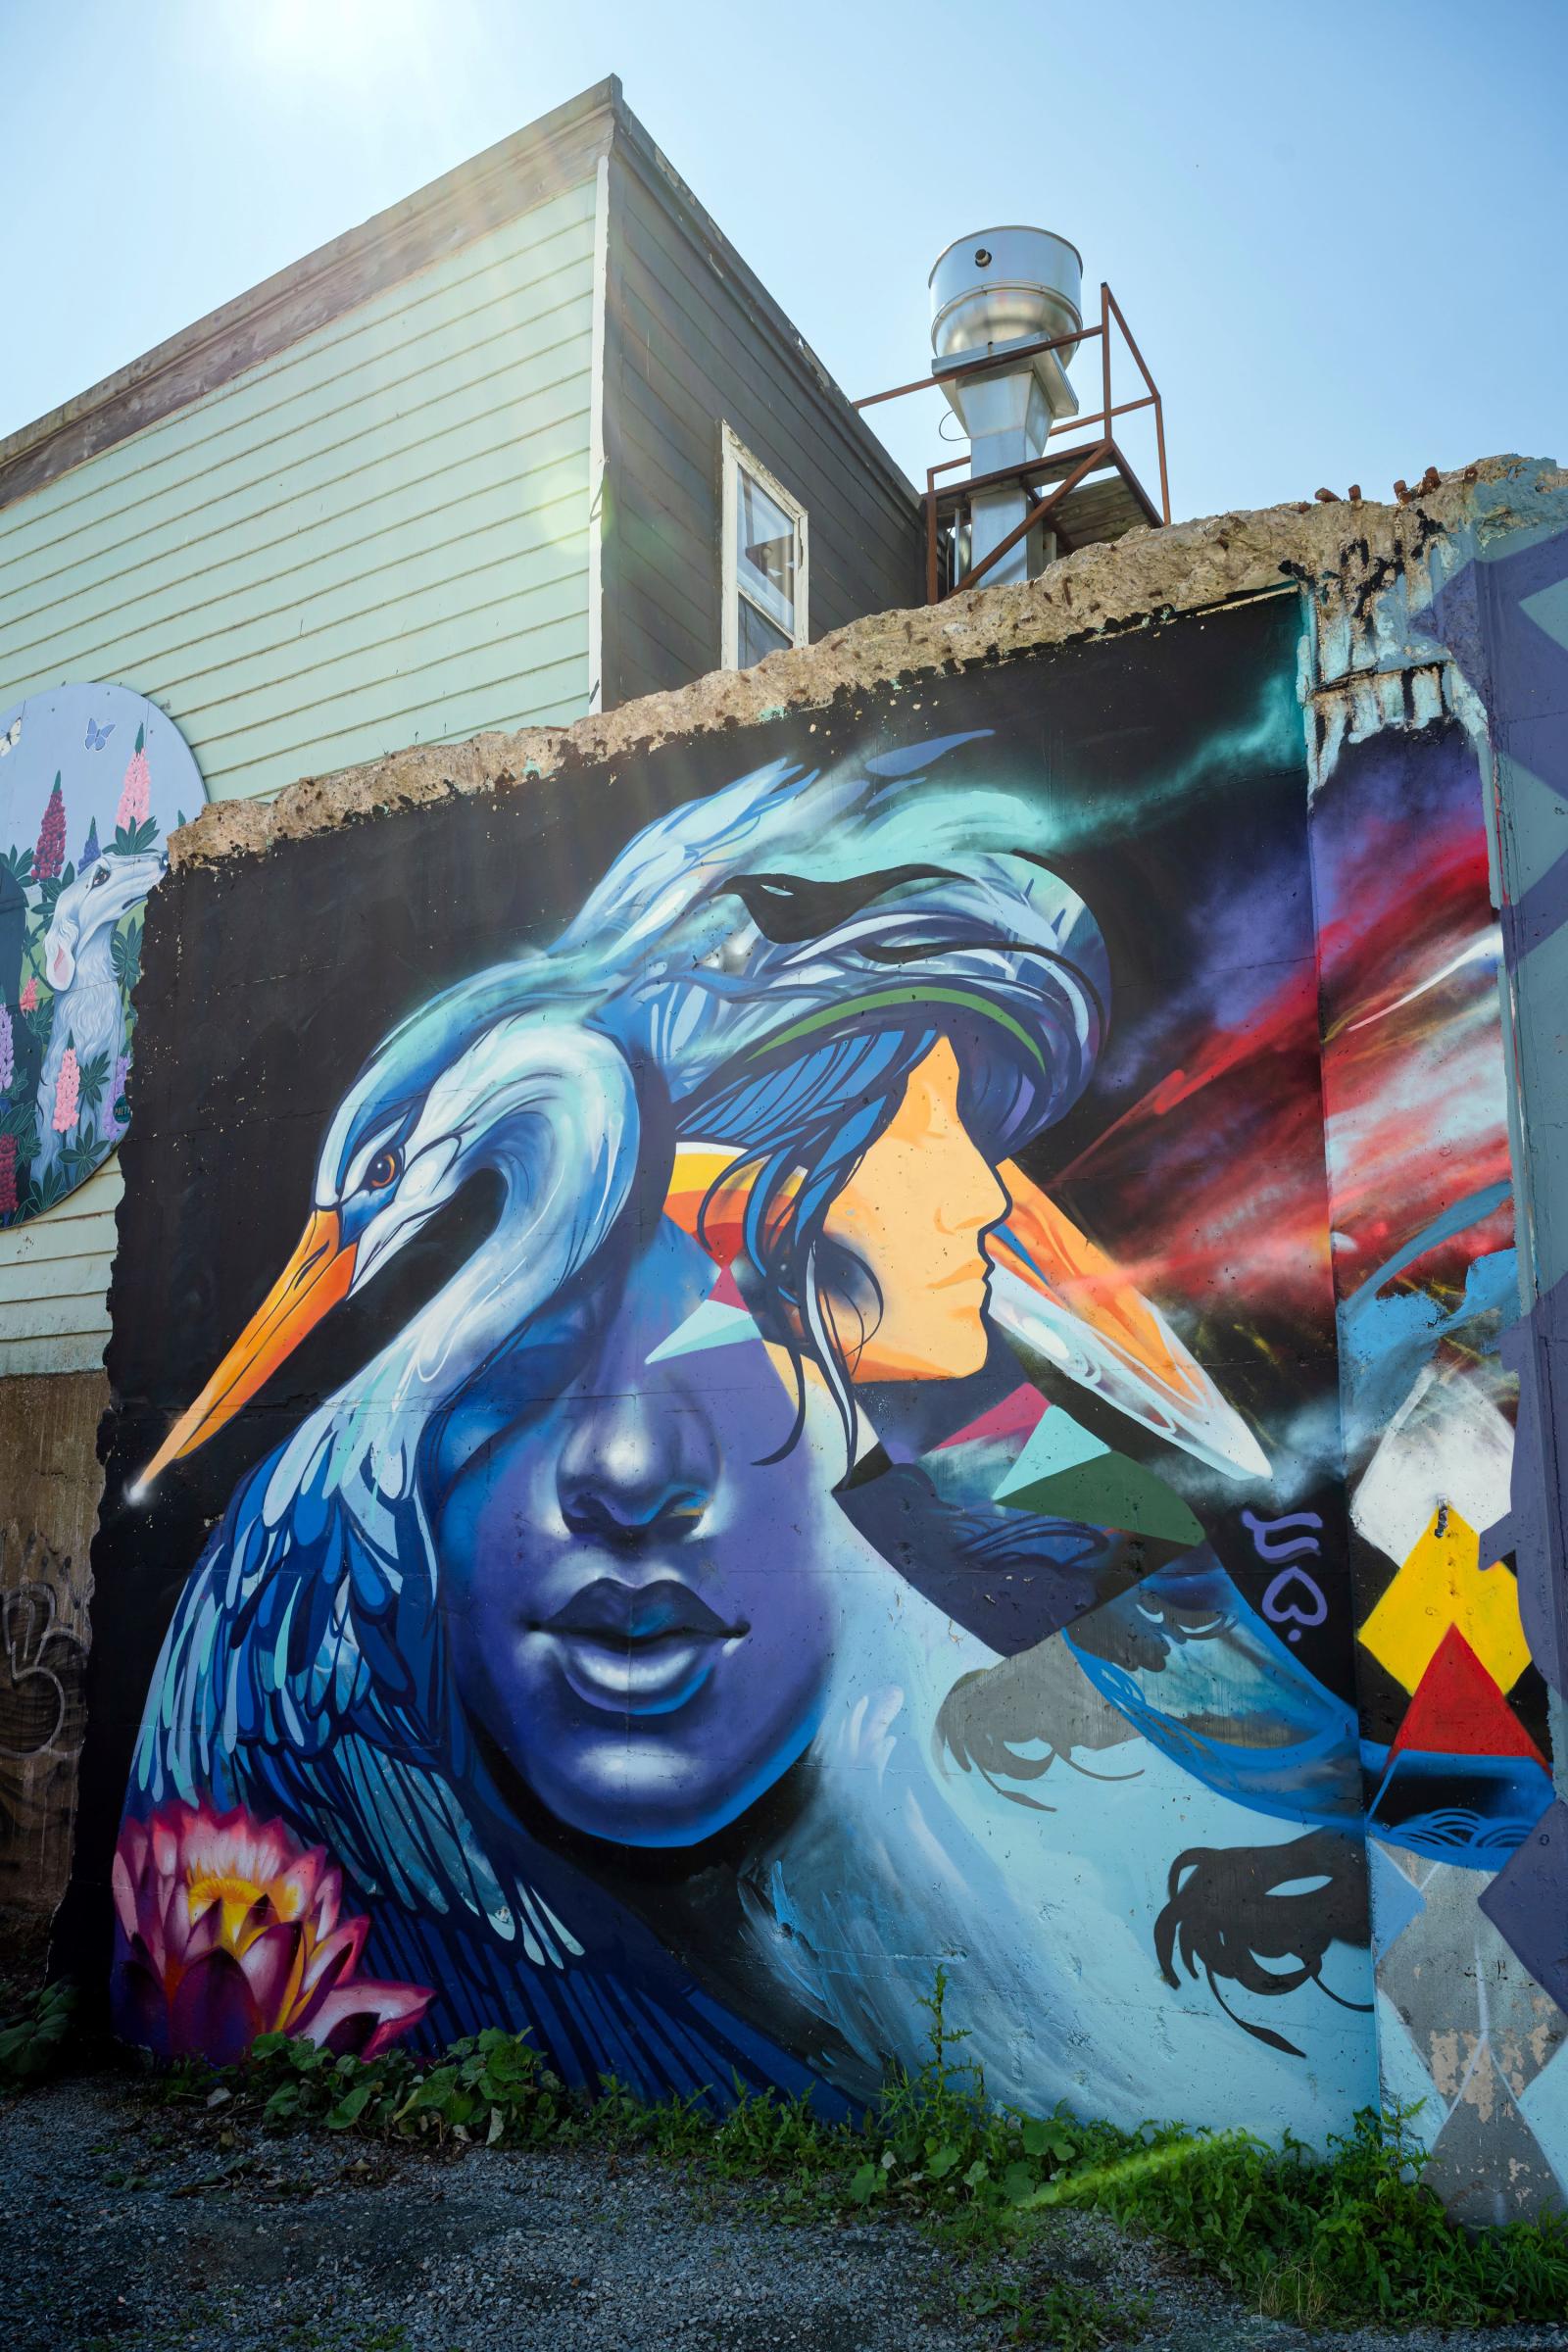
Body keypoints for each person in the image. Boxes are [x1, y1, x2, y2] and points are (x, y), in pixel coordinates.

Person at [121, 740, 1372, 2130]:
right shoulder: (809, 1445)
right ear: (782, 1169)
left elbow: (1268, 1730)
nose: (985, 1200)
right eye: (941, 1129)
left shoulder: (1007, 1478)